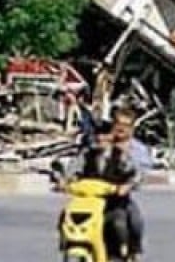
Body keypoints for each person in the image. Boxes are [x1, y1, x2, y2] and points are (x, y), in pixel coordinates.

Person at [66, 107, 149, 261]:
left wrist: (128, 185)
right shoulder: (90, 151)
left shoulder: (129, 152)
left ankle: (128, 252)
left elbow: (138, 171)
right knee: (67, 217)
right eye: (117, 124)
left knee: (127, 220)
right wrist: (65, 180)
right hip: (88, 202)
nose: (121, 128)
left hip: (115, 201)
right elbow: (74, 167)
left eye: (126, 125)